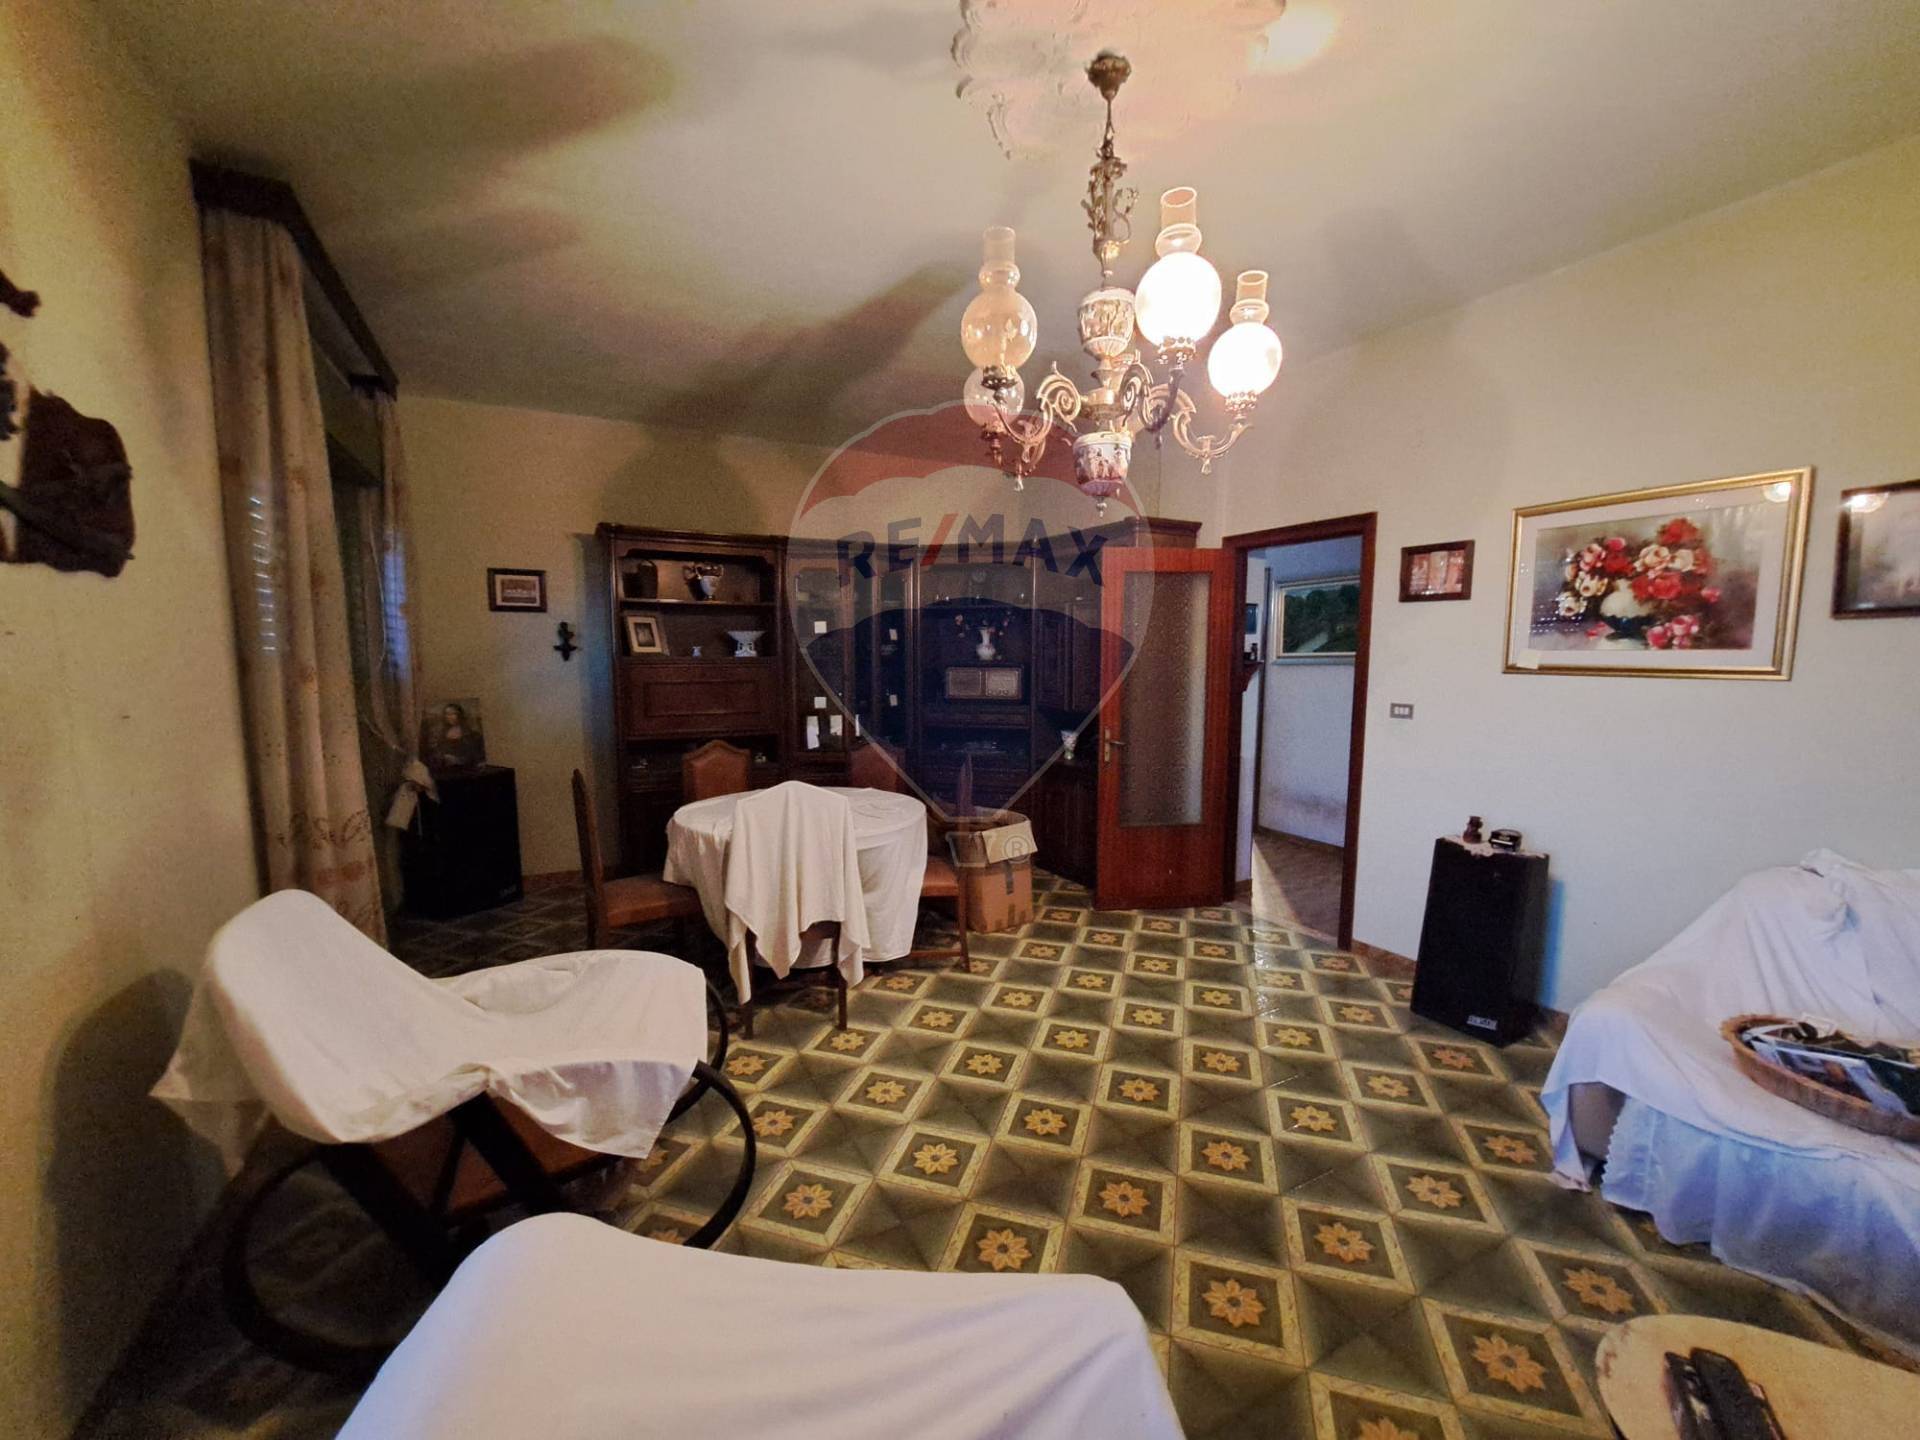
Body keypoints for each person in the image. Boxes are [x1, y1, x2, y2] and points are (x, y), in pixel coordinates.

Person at [427, 703, 484, 771]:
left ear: (459, 715)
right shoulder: (442, 732)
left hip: (464, 768)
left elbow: (474, 755)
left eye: (453, 714)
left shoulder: (470, 733)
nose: (449, 717)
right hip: (445, 768)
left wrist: (457, 760)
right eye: (447, 714)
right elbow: (437, 750)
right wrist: (443, 757)